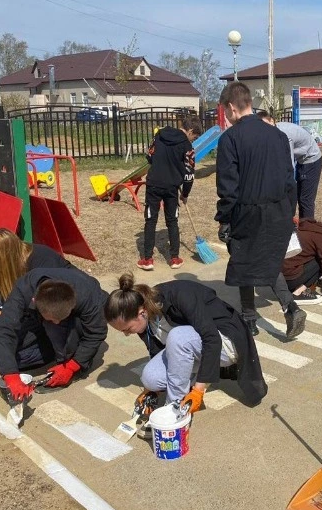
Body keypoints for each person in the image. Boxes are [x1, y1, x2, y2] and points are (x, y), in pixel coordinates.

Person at [104, 273, 267, 425]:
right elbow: (157, 352)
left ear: (141, 313)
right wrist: (151, 392)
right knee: (150, 378)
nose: (126, 334)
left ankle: (174, 411)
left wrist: (198, 390)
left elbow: (211, 339)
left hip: (226, 343)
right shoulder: (143, 318)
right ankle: (180, 388)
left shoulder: (180, 295)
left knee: (178, 337)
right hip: (195, 348)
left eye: (127, 329)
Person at [215, 82, 306, 339]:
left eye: (225, 111)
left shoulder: (230, 139)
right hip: (279, 209)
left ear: (232, 107)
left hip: (247, 211)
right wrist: (289, 213)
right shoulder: (277, 135)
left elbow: (228, 187)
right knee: (268, 261)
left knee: (243, 261)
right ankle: (290, 307)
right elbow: (290, 178)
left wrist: (224, 219)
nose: (227, 117)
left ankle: (249, 319)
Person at [0, 267, 108, 402]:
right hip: (38, 318)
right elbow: (4, 331)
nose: (57, 322)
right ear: (36, 303)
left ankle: (70, 361)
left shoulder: (88, 295)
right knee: (13, 359)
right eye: (52, 319)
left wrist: (73, 365)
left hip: (79, 317)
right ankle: (54, 347)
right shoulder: (23, 290)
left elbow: (96, 332)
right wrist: (11, 375)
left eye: (60, 318)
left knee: (58, 333)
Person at [137, 117, 203, 271]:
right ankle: (174, 258)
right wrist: (185, 193)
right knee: (172, 221)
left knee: (150, 220)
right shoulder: (187, 146)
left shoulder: (159, 135)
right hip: (171, 187)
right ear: (191, 131)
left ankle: (147, 259)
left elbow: (150, 156)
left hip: (153, 183)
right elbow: (189, 173)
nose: (194, 140)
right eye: (195, 137)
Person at [0, 228, 74, 322]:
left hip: (59, 311)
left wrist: (9, 312)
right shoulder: (0, 267)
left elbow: (50, 303)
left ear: (5, 259)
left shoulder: (42, 261)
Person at [257, 111, 322, 220]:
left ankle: (308, 230)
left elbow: (289, 165)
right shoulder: (273, 134)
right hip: (301, 160)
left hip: (311, 160)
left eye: (266, 125)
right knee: (297, 196)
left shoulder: (284, 135)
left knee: (305, 199)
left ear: (272, 121)